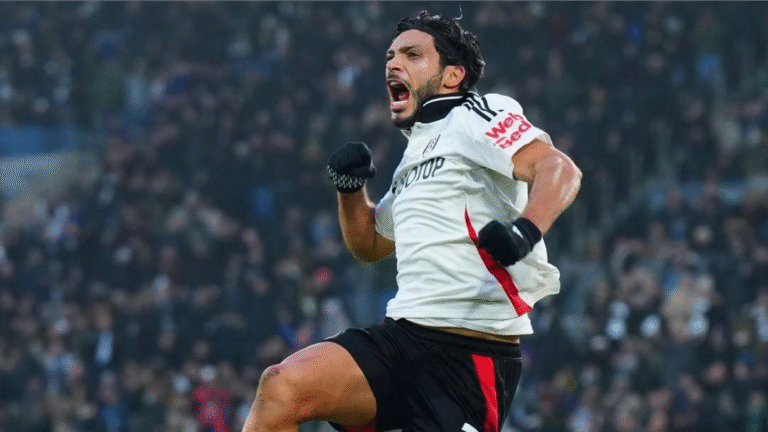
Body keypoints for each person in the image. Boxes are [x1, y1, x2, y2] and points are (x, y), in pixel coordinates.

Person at [243, 11, 582, 432]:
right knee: (281, 386)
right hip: (401, 337)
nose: (393, 64)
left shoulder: (476, 113)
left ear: (452, 75)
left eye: (412, 54)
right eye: (390, 56)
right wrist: (350, 190)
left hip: (468, 355)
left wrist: (524, 231)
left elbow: (559, 168)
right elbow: (370, 245)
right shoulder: (414, 155)